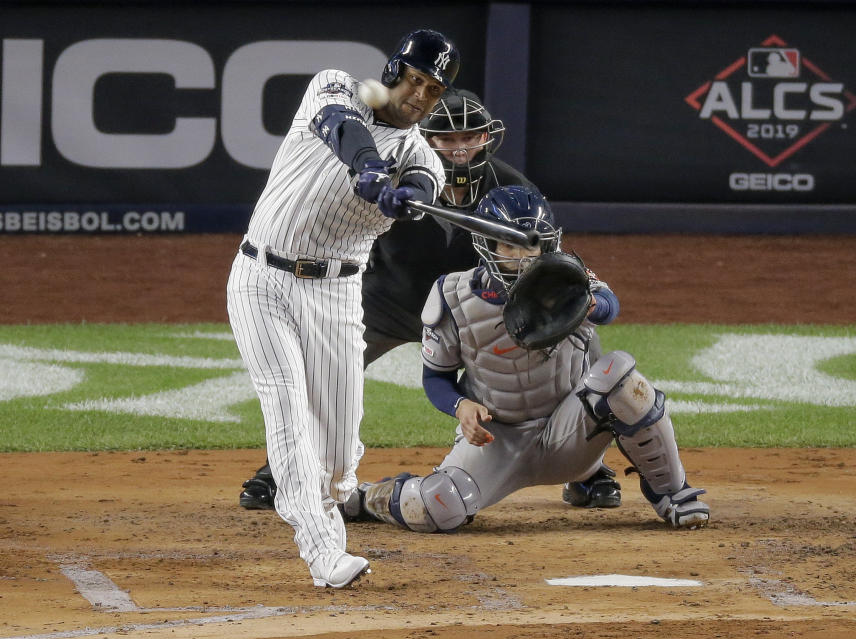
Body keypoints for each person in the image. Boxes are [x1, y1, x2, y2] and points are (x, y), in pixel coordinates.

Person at [238, 90, 621, 512]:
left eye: (469, 138)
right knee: (322, 376)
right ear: (425, 137)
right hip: (389, 299)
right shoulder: (398, 174)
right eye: (446, 139)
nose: (460, 149)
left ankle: (590, 470)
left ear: (487, 138)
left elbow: (544, 261)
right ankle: (281, 469)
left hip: (472, 307)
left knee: (575, 341)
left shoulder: (513, 189)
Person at [226, 29, 459, 588]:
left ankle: (325, 497)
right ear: (394, 70)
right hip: (261, 280)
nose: (420, 94)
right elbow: (345, 131)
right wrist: (371, 172)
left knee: (337, 460)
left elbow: (425, 182)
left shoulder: (424, 157)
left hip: (335, 297)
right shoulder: (334, 86)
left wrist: (410, 197)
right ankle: (324, 550)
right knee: (287, 411)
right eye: (415, 79)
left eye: (434, 88)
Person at [339, 186, 711, 534]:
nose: (521, 258)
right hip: (498, 441)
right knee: (436, 507)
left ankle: (671, 493)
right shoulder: (451, 296)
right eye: (509, 246)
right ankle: (370, 499)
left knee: (621, 377)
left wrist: (585, 302)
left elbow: (609, 307)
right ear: (486, 244)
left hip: (570, 433)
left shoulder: (569, 279)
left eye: (530, 247)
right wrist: (461, 405)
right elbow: (435, 377)